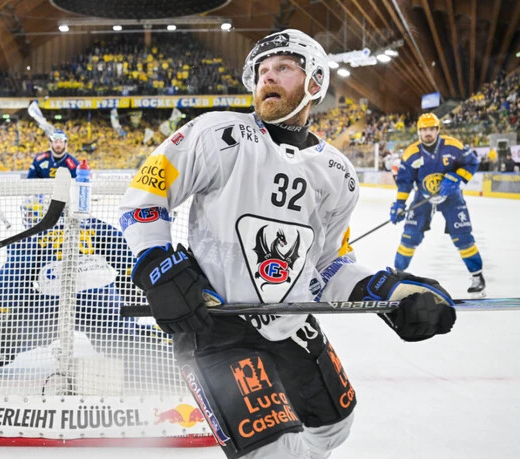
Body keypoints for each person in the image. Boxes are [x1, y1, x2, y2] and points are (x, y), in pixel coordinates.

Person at [119, 29, 457, 459]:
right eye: (261, 71)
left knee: (334, 427)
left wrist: (392, 291)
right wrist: (157, 265)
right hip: (216, 325)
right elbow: (144, 199)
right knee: (273, 453)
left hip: (293, 324)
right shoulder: (215, 134)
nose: (268, 78)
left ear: (314, 83)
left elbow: (331, 264)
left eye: (283, 68)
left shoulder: (338, 172)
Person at [0, 195, 161, 377]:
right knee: (124, 344)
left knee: (9, 338)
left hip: (53, 307)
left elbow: (10, 284)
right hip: (102, 302)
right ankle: (169, 345)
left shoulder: (30, 236)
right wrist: (130, 297)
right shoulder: (93, 224)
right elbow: (129, 262)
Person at [390, 113, 485, 296]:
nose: (428, 133)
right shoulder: (411, 153)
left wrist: (457, 177)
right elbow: (405, 182)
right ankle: (397, 276)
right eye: (424, 129)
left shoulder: (453, 146)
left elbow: (472, 162)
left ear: (437, 129)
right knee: (409, 237)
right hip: (422, 197)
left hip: (451, 196)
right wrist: (400, 205)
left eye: (431, 129)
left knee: (462, 236)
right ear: (419, 131)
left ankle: (477, 277)